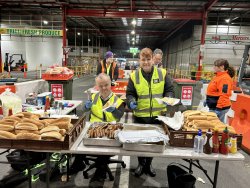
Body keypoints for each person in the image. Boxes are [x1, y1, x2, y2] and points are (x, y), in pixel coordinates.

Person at [126, 47, 174, 177]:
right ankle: (141, 164)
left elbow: (169, 89)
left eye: (148, 59)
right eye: (143, 60)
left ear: (153, 59)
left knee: (154, 143)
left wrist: (168, 97)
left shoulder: (162, 73)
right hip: (140, 116)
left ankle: (149, 164)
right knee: (140, 143)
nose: (146, 62)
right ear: (139, 61)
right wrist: (131, 101)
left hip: (158, 116)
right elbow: (130, 93)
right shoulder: (134, 76)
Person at [70, 73, 125, 178]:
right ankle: (78, 164)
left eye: (106, 85)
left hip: (110, 130)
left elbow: (119, 116)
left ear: (110, 84)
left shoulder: (118, 100)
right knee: (79, 140)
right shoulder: (93, 97)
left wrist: (114, 111)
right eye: (100, 86)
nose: (104, 88)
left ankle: (100, 171)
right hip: (93, 128)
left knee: (104, 149)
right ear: (97, 86)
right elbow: (84, 110)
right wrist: (86, 107)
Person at [205, 59, 235, 123]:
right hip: (215, 105)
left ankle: (221, 132)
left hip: (219, 107)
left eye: (216, 66)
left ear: (222, 67)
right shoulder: (218, 76)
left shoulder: (224, 79)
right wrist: (207, 100)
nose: (214, 67)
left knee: (214, 125)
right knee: (218, 124)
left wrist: (218, 108)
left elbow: (224, 94)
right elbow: (214, 91)